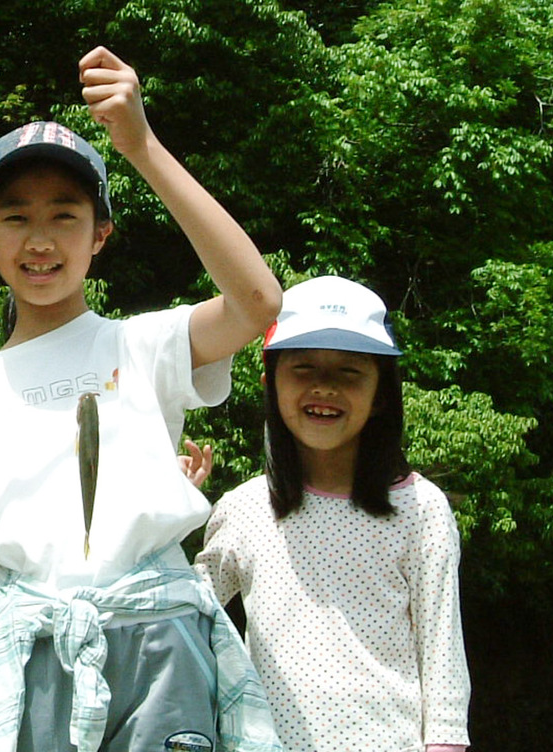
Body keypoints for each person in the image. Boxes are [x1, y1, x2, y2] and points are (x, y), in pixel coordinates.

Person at [0, 46, 285, 752]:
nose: (40, 239)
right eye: (15, 217)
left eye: (65, 215)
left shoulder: (144, 345)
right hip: (28, 656)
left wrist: (141, 145)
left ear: (101, 234)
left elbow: (257, 301)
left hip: (161, 645)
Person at [193, 275, 472, 752]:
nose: (323, 388)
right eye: (303, 368)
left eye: (349, 372)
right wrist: (170, 514)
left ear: (381, 391)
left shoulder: (420, 508)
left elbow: (442, 649)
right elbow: (187, 617)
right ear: (270, 382)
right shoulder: (243, 509)